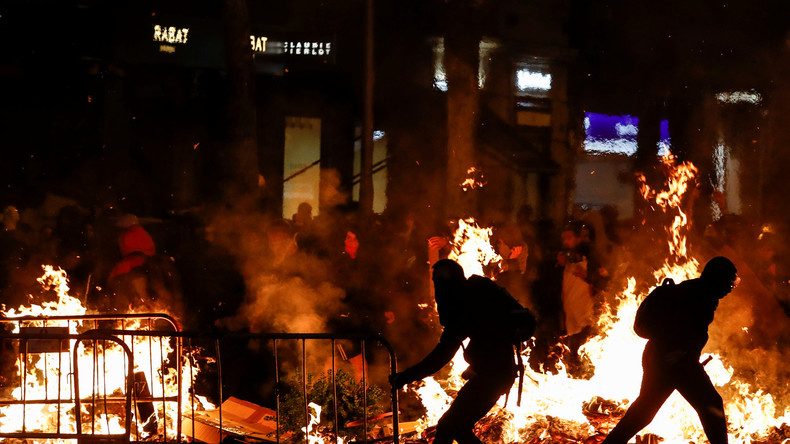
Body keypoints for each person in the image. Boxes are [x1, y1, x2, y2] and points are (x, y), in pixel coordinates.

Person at [389, 259, 533, 444]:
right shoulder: (475, 293)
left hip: (493, 378)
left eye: (438, 281)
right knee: (454, 426)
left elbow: (442, 355)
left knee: (449, 426)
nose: (437, 288)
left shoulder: (465, 304)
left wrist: (405, 377)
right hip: (492, 375)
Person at [601, 256, 740, 444]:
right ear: (718, 279)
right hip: (674, 362)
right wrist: (679, 354)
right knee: (711, 405)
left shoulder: (695, 290)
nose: (730, 288)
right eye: (730, 283)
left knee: (644, 411)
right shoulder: (699, 296)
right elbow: (680, 329)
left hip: (661, 357)